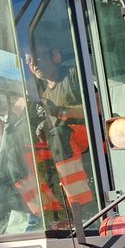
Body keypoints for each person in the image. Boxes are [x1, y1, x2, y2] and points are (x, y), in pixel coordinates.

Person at [12, 42, 96, 230]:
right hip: (60, 143)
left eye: (38, 58)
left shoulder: (73, 75)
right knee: (15, 154)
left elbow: (97, 108)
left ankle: (82, 209)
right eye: (29, 62)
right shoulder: (42, 92)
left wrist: (60, 111)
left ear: (56, 56)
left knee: (58, 135)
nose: (33, 65)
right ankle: (48, 214)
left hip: (89, 138)